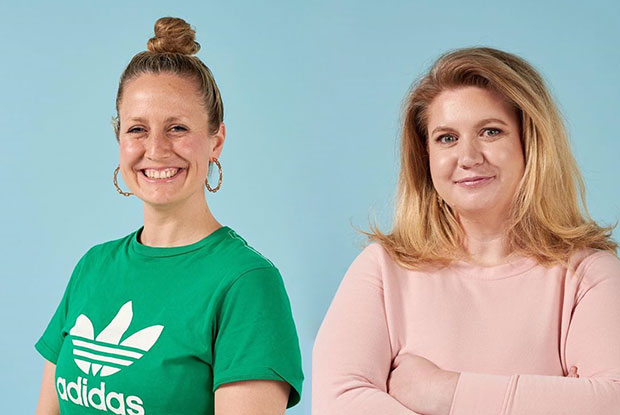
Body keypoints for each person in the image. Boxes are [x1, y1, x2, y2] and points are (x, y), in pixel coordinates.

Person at [312, 47, 620, 415]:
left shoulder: (589, 274)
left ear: (531, 142)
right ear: (425, 155)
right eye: (446, 138)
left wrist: (444, 391)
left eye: (491, 132)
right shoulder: (382, 269)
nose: (469, 157)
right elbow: (338, 400)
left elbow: (612, 400)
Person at [35, 17, 303, 415]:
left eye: (177, 128)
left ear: (216, 141)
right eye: (137, 129)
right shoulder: (92, 268)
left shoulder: (246, 284)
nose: (156, 149)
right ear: (119, 139)